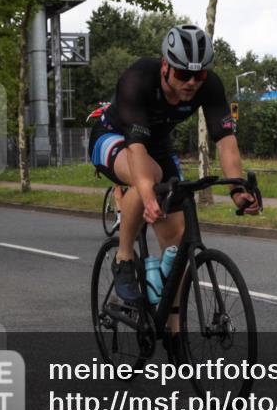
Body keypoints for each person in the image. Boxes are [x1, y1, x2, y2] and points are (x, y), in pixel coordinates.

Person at [87, 24, 258, 303]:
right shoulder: (138, 78)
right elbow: (136, 147)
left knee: (177, 240)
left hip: (157, 145)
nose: (191, 82)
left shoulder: (209, 86)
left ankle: (171, 324)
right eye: (182, 74)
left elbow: (226, 142)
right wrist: (147, 195)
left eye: (199, 75)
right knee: (149, 176)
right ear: (166, 66)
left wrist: (237, 190)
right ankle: (124, 257)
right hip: (113, 136)